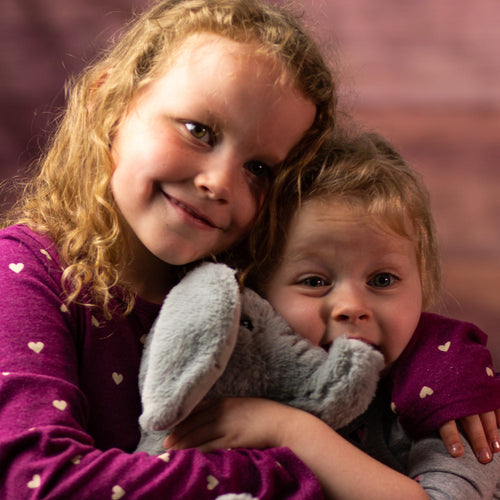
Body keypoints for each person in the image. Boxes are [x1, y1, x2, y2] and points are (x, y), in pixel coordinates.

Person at [0, 0, 337, 498]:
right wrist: (275, 472)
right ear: (107, 104)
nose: (221, 183)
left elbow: (372, 336)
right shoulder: (25, 273)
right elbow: (38, 482)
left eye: (259, 168)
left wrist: (452, 377)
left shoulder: (244, 293)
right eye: (199, 131)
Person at [164, 131, 500, 499]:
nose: (352, 306)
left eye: (382, 279)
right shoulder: (229, 378)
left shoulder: (450, 395)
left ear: (424, 283)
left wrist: (290, 431)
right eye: (315, 281)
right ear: (255, 291)